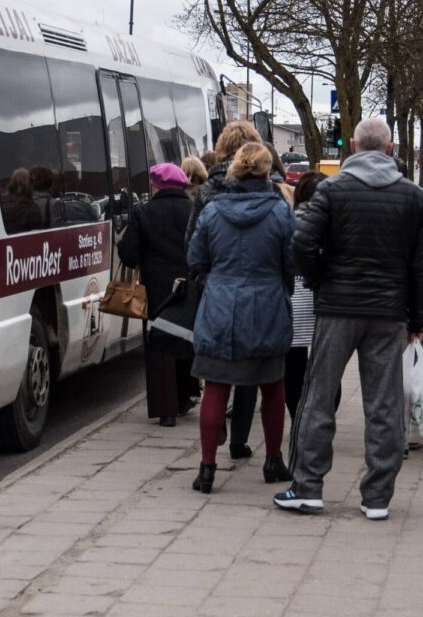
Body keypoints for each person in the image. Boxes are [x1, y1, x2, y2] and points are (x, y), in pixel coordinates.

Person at [276, 117, 423, 520]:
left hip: (337, 309)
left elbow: (302, 242)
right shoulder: (413, 197)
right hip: (388, 312)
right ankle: (377, 497)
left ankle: (308, 487)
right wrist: (417, 316)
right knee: (383, 403)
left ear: (352, 147)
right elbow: (422, 264)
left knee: (318, 398)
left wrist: (319, 281)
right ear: (391, 148)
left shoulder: (332, 190)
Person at [187, 142, 295, 492]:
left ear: (233, 170)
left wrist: (213, 281)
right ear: (267, 172)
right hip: (266, 306)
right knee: (272, 385)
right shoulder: (280, 211)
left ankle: (206, 469)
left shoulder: (213, 211)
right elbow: (292, 262)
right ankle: (274, 460)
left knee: (216, 387)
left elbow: (195, 258)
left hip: (220, 305)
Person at [118, 163, 198, 427]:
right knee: (187, 337)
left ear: (155, 185)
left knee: (159, 344)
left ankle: (166, 410)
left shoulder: (144, 213)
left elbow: (129, 255)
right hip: (190, 286)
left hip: (157, 288)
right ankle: (186, 396)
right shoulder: (194, 210)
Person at [284, 171, 325, 418]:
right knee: (326, 368)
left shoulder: (286, 221)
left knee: (293, 368)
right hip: (322, 302)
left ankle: (298, 416)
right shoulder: (333, 224)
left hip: (293, 299)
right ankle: (322, 415)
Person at [0, 168, 43, 233]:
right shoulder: (32, 208)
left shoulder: (1, 205)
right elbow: (38, 234)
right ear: (28, 184)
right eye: (31, 181)